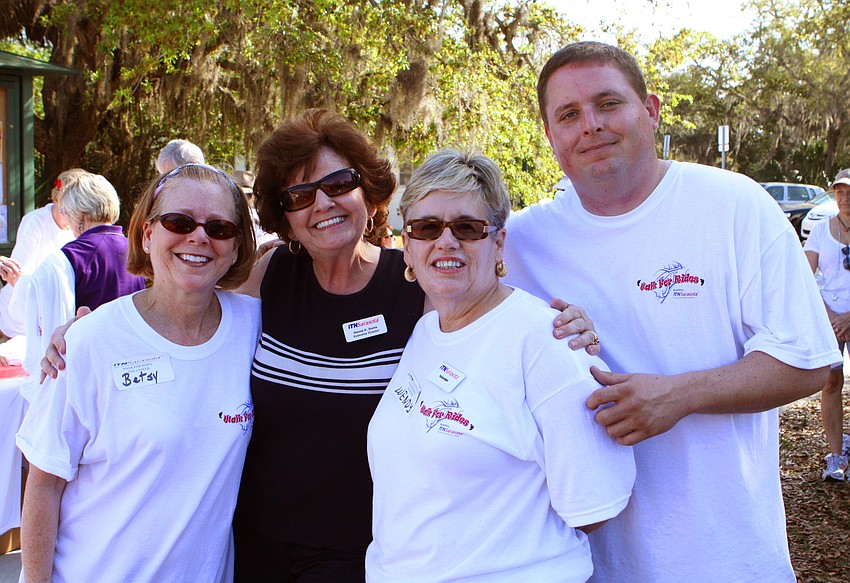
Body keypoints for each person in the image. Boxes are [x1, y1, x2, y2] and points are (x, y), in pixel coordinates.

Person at [39, 110, 598, 581]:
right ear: (284, 217)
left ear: (368, 193)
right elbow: (186, 302)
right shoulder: (269, 276)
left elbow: (487, 317)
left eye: (337, 185)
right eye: (300, 194)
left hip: (362, 553)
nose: (322, 203)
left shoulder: (417, 285)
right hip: (254, 548)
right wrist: (87, 333)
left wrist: (566, 328)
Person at [502, 41, 840, 582]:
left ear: (651, 110)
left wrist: (679, 395)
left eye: (608, 103)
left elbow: (808, 361)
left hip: (728, 559)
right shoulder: (520, 242)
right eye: (568, 114)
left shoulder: (733, 205)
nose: (590, 125)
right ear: (550, 135)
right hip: (589, 566)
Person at [366, 150, 634, 582]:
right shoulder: (427, 330)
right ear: (408, 248)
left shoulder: (546, 340)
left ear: (498, 243)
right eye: (427, 227)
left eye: (467, 228)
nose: (446, 241)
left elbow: (594, 505)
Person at [16, 163, 259, 582]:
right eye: (179, 222)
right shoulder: (89, 341)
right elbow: (44, 484)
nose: (199, 237)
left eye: (219, 228)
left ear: (236, 247)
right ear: (147, 234)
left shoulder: (255, 327)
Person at [19, 171, 145, 399]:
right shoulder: (136, 250)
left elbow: (50, 325)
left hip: (88, 374)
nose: (66, 221)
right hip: (133, 367)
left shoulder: (69, 258)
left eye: (66, 212)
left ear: (81, 215)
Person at [804, 169, 850, 481]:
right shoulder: (821, 230)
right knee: (831, 382)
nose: (845, 198)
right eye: (840, 192)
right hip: (829, 319)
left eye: (849, 192)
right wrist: (831, 316)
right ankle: (836, 456)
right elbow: (805, 276)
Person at [0, 170, 78, 352]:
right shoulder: (35, 222)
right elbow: (17, 276)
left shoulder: (76, 227)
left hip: (55, 319)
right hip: (21, 319)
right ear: (58, 199)